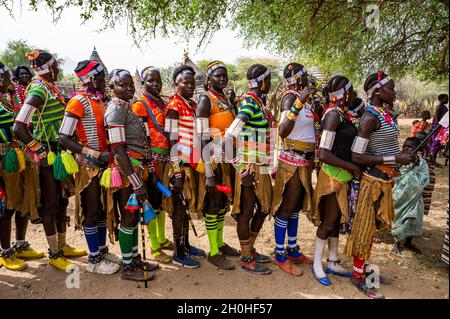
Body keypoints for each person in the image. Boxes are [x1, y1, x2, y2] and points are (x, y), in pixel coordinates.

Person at [13, 50, 86, 271]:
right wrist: (40, 150)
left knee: (63, 199)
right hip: (49, 156)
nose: (58, 70)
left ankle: (63, 246)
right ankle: (54, 253)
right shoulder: (37, 89)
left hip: (60, 154)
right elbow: (19, 126)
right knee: (51, 203)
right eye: (56, 66)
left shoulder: (48, 87)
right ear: (51, 67)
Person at [347, 71, 416, 299]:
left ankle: (365, 269)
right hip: (372, 182)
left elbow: (385, 149)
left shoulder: (384, 114)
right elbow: (357, 156)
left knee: (373, 230)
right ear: (377, 91)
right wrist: (395, 159)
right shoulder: (369, 118)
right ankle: (359, 277)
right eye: (391, 88)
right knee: (365, 230)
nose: (394, 92)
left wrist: (405, 155)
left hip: (385, 181)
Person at [58, 60, 121, 275]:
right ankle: (93, 259)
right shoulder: (77, 102)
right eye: (102, 77)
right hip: (89, 167)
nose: (106, 81)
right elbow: (63, 138)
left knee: (103, 207)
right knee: (92, 209)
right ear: (92, 79)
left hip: (106, 165)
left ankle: (103, 250)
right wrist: (95, 154)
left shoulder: (103, 100)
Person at [104, 68, 159, 281]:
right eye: (122, 85)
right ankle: (127, 266)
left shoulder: (126, 108)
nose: (128, 88)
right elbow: (118, 150)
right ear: (112, 88)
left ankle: (135, 258)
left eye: (130, 85)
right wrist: (136, 182)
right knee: (128, 218)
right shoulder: (115, 110)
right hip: (126, 172)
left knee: (134, 216)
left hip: (135, 169)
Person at [310, 75, 360, 286]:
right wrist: (353, 167)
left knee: (336, 220)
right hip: (332, 177)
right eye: (351, 91)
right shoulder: (332, 115)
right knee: (329, 221)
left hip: (342, 177)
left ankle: (332, 260)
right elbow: (323, 154)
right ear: (345, 93)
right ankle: (317, 264)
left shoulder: (342, 114)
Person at [224, 64, 273, 274]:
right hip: (249, 166)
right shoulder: (250, 104)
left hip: (260, 163)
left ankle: (250, 249)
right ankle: (245, 257)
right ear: (262, 82)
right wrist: (242, 171)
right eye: (269, 79)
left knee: (263, 209)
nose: (270, 84)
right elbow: (227, 139)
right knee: (246, 212)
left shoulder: (258, 103)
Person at [271, 63, 316, 276]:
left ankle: (292, 249)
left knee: (296, 207)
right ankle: (279, 254)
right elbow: (282, 131)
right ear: (297, 78)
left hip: (305, 161)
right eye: (304, 75)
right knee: (287, 208)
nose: (308, 77)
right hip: (292, 161)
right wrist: (300, 101)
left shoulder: (306, 101)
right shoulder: (290, 98)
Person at [196, 61, 240, 270]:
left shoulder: (224, 99)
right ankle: (213, 251)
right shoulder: (206, 100)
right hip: (213, 159)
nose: (222, 79)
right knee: (213, 204)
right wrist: (209, 172)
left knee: (222, 203)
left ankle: (220, 244)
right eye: (218, 76)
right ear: (209, 79)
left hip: (227, 161)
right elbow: (201, 136)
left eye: (225, 76)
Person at [0, 61, 43, 271]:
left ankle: (20, 244)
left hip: (20, 155)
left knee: (24, 199)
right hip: (4, 161)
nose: (7, 81)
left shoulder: (14, 96)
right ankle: (5, 252)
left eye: (6, 77)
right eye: (5, 78)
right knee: (7, 204)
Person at [164, 65, 206, 268]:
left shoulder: (191, 103)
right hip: (180, 164)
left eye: (192, 83)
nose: (190, 86)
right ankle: (178, 252)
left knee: (187, 205)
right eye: (185, 82)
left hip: (192, 162)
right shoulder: (173, 106)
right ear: (176, 84)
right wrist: (176, 171)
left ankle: (187, 245)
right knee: (179, 209)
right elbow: (170, 139)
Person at [131, 66, 174, 264]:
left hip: (165, 160)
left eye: (158, 80)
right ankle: (155, 246)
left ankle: (163, 239)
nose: (155, 84)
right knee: (152, 203)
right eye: (150, 81)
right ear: (143, 83)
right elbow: (143, 139)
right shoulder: (140, 106)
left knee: (162, 201)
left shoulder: (161, 103)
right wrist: (149, 167)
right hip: (152, 162)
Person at [391, 137, 429, 254]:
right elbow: (394, 174)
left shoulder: (422, 162)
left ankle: (408, 241)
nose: (406, 148)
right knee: (398, 217)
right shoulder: (399, 159)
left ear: (417, 149)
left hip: (415, 198)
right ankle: (396, 242)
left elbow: (425, 178)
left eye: (410, 147)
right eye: (405, 146)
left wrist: (415, 165)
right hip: (399, 195)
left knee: (413, 217)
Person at [429, 94, 448, 163]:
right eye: (446, 99)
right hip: (438, 127)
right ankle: (432, 160)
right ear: (441, 99)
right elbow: (437, 118)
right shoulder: (439, 107)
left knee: (438, 143)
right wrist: (437, 128)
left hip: (441, 127)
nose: (447, 100)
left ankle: (433, 159)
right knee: (436, 143)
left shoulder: (443, 107)